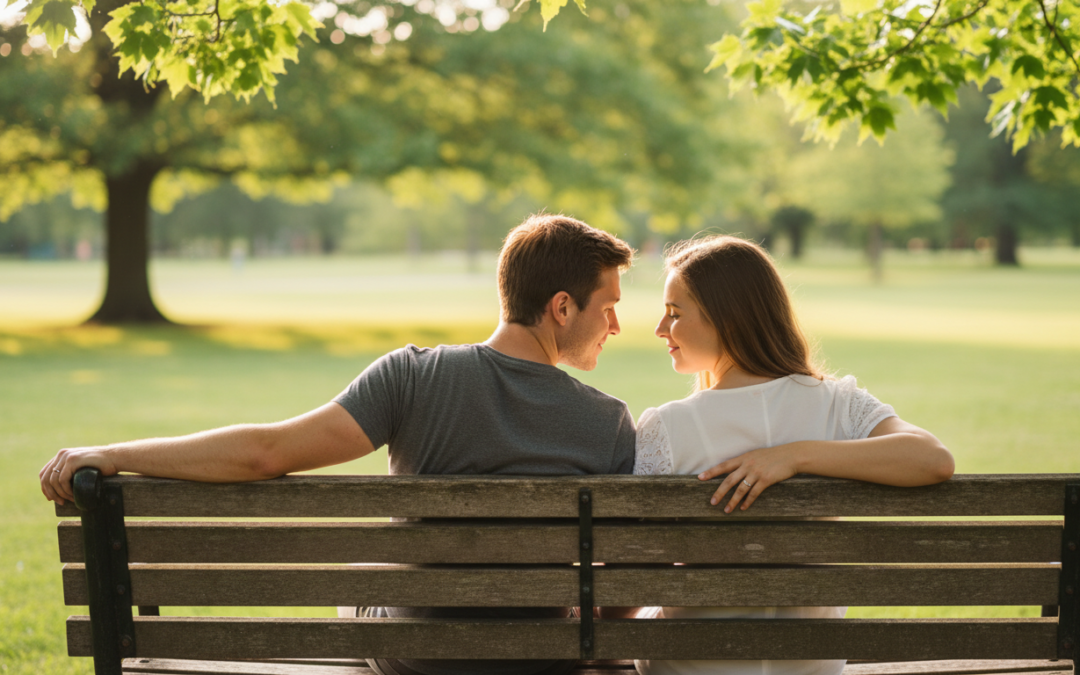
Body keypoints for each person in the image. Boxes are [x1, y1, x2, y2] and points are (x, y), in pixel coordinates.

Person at [39, 213, 638, 675]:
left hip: (414, 655)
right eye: (608, 307)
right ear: (562, 307)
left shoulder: (412, 375)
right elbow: (621, 592)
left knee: (366, 571)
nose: (614, 325)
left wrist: (116, 456)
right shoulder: (607, 422)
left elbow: (266, 454)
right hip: (536, 658)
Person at [632, 235, 955, 675]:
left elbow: (628, 567)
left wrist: (792, 456)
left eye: (674, 313)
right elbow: (931, 458)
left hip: (692, 665)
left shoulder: (664, 428)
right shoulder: (839, 405)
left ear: (727, 319)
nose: (660, 329)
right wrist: (803, 455)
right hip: (810, 663)